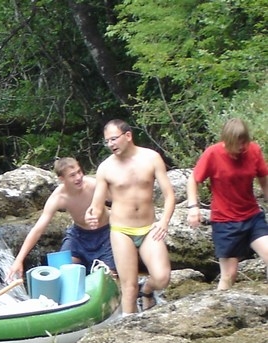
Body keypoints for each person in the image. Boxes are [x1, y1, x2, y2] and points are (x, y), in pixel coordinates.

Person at [85, 119, 176, 315]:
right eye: (107, 141)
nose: (110, 144)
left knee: (162, 277)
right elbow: (97, 205)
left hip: (149, 228)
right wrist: (92, 214)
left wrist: (164, 222)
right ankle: (128, 325)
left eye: (114, 139)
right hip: (121, 230)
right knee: (129, 287)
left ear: (128, 136)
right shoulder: (105, 168)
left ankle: (147, 290)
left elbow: (169, 195)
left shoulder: (151, 158)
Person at [186, 118, 268, 290]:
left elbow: (263, 179)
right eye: (237, 143)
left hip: (252, 216)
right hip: (225, 222)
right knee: (229, 275)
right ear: (227, 141)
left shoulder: (253, 150)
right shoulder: (213, 154)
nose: (241, 147)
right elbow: (193, 179)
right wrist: (193, 208)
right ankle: (218, 304)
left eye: (244, 142)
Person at [6, 157, 116, 281]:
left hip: (105, 234)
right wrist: (19, 260)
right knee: (61, 272)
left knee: (108, 278)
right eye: (72, 175)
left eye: (79, 172)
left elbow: (120, 201)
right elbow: (37, 230)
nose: (78, 177)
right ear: (62, 179)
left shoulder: (93, 185)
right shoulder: (58, 197)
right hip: (79, 237)